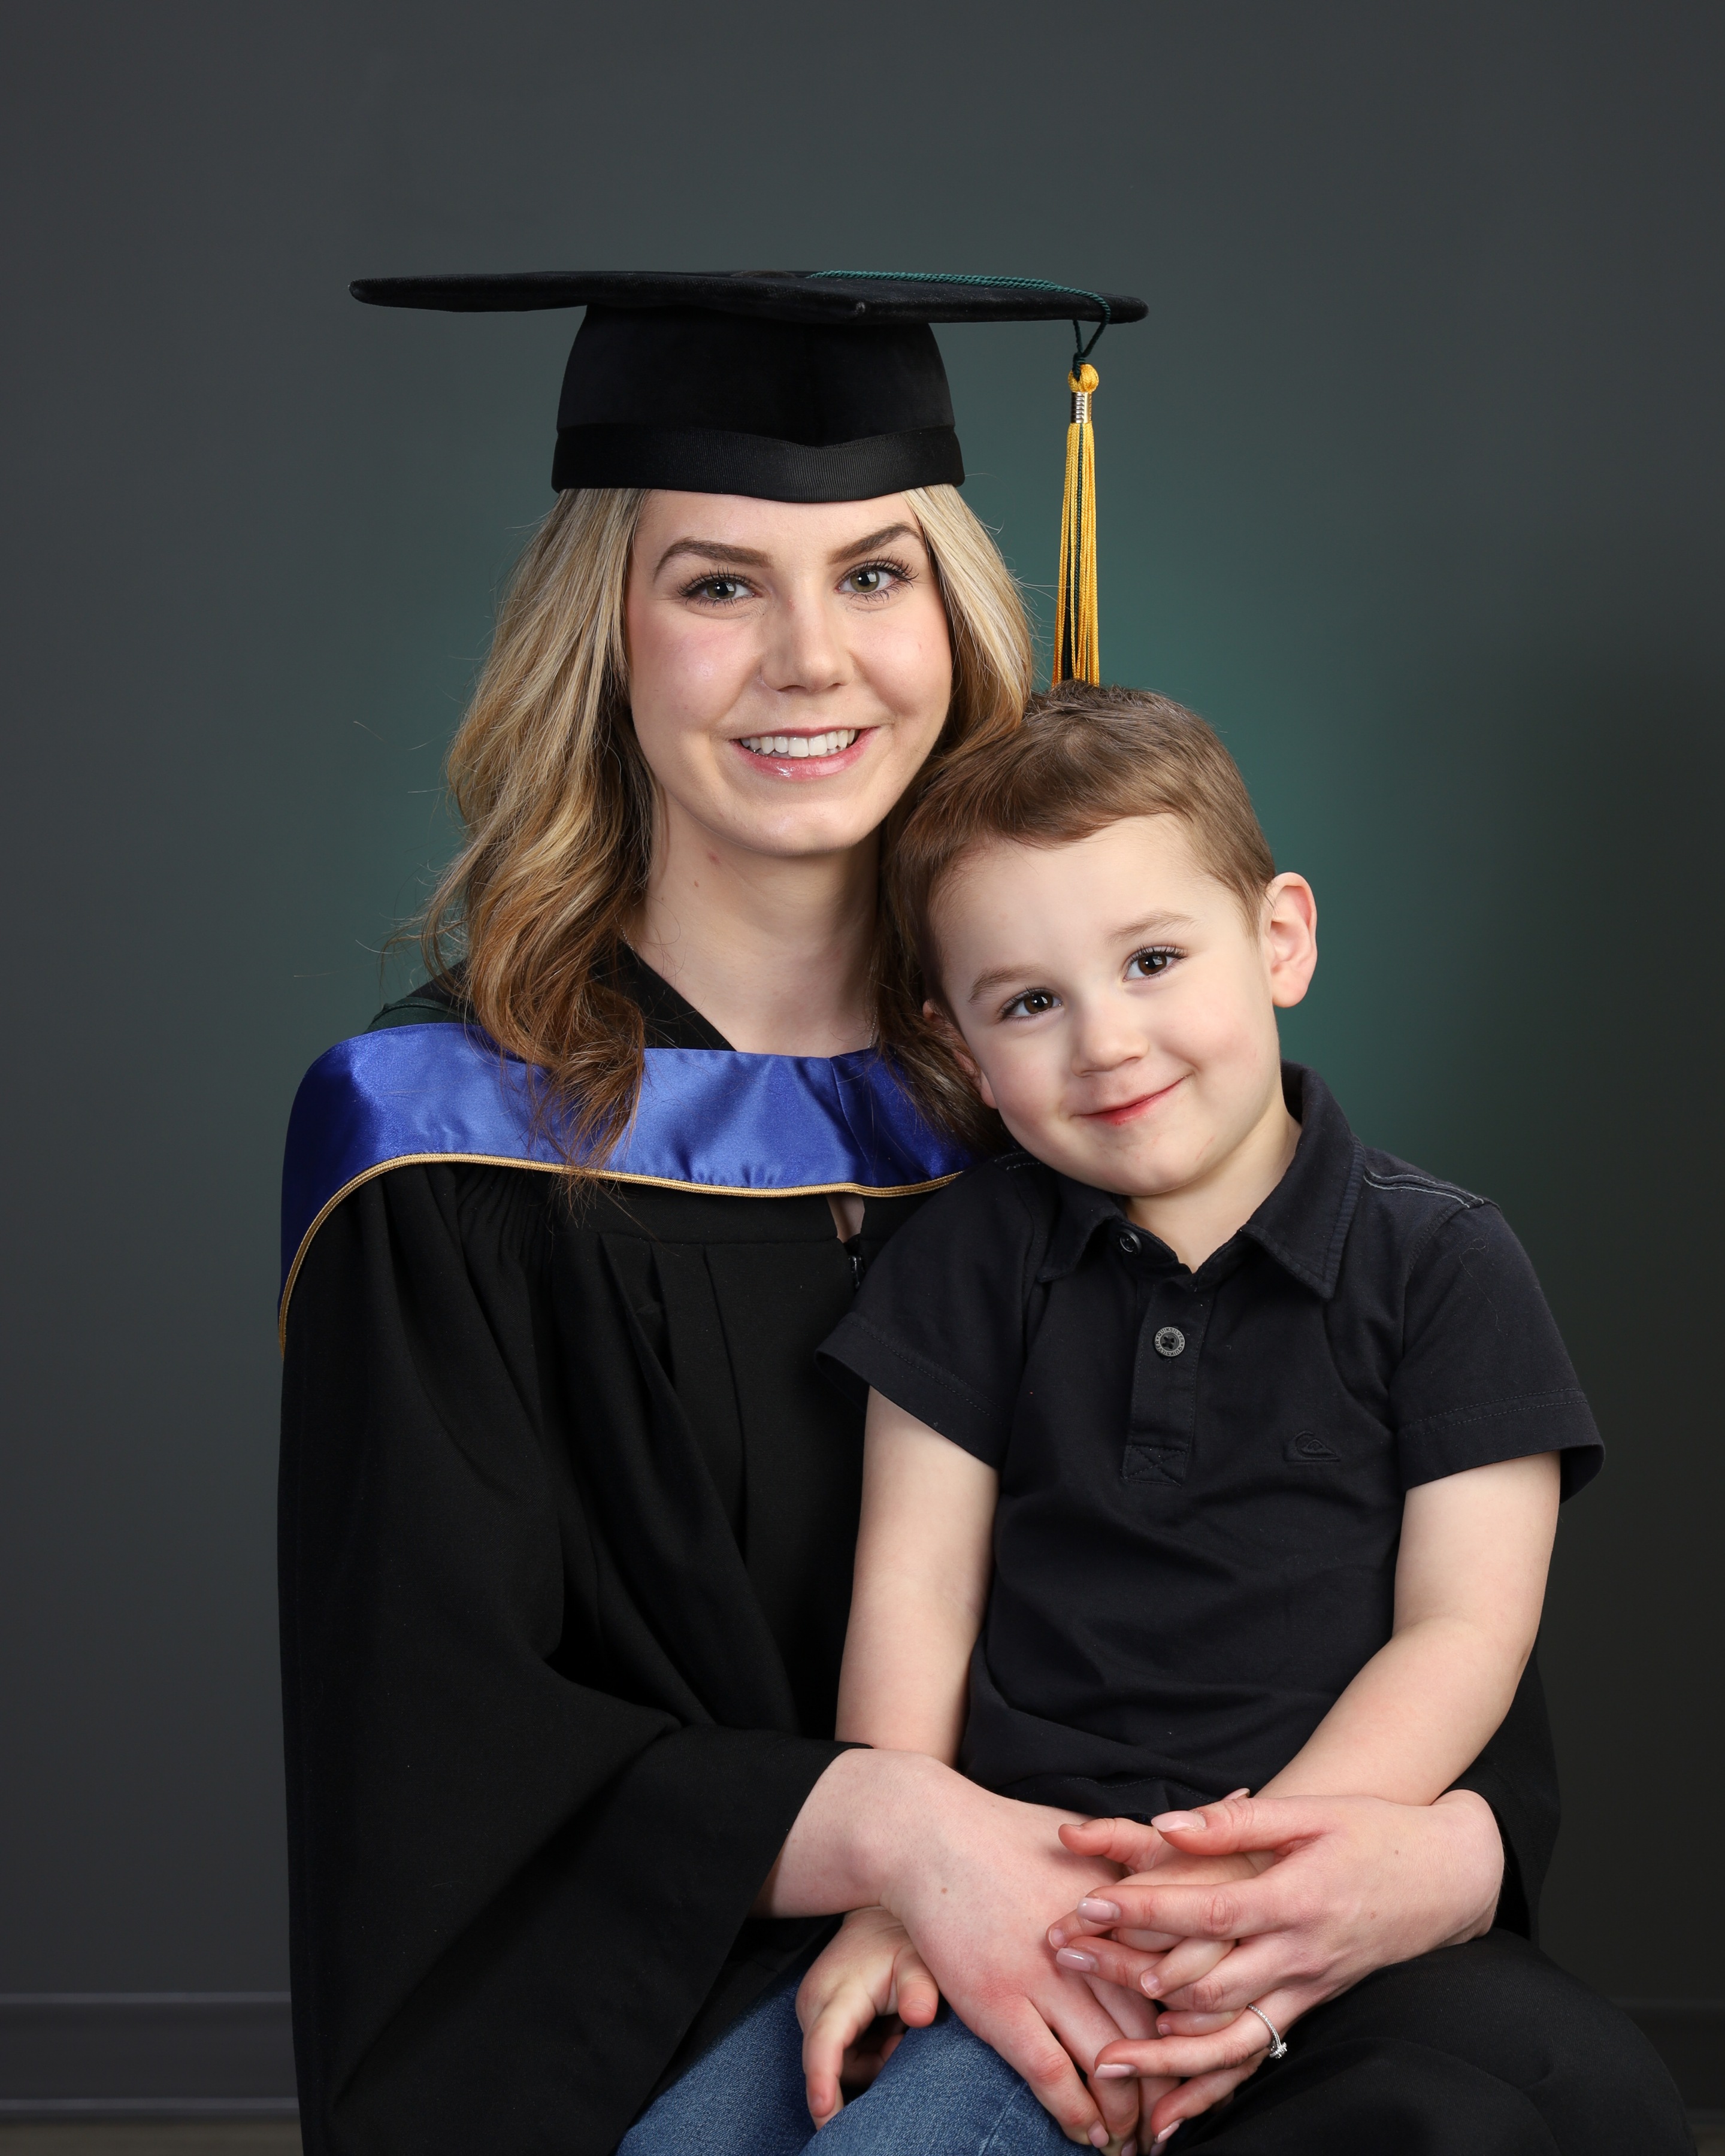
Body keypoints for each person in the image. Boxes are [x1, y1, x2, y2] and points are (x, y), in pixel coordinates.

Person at [277, 273, 1662, 2156]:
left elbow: (1375, 1580)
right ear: (596, 640)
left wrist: (1437, 1853)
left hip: (1202, 1906)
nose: (810, 661)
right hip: (722, 1955)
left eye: (873, 574)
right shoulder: (446, 1142)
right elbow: (434, 1730)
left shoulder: (1079, 1078)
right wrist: (901, 1838)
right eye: (714, 583)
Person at [787, 683, 1684, 2151]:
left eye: (1151, 960)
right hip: (1026, 1887)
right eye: (1029, 1002)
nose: (1106, 1041)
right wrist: (904, 1887)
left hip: (1317, 1883)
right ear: (959, 1044)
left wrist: (1259, 1879)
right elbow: (914, 1590)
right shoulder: (966, 1260)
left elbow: (1462, 1631)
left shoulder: (1444, 1261)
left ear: (1280, 940)